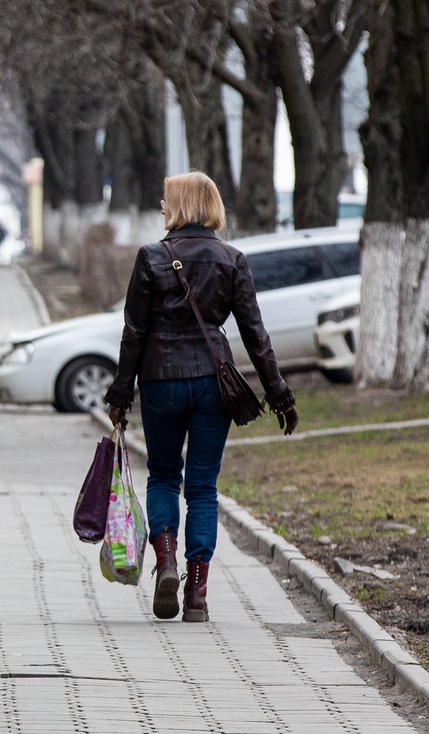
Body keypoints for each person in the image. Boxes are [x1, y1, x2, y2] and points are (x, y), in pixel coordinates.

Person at [103, 172, 299, 624]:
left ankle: (166, 561)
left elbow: (134, 332)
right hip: (215, 383)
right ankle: (197, 594)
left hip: (159, 380)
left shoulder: (152, 257)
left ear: (180, 205)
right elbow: (255, 335)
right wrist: (280, 395)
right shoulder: (232, 259)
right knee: (203, 488)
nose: (160, 205)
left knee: (164, 476)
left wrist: (120, 394)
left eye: (165, 199)